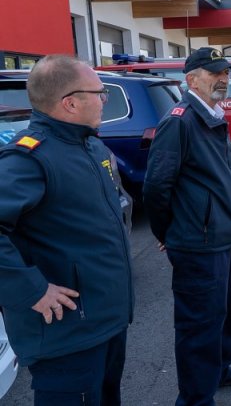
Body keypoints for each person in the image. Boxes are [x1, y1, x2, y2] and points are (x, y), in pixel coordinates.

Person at [0, 55, 133, 404]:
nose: (104, 100)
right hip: (68, 335)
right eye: (99, 93)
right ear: (70, 103)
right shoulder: (29, 158)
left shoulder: (89, 144)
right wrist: (31, 290)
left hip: (105, 322)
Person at [143, 47, 231, 406]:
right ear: (191, 80)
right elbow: (156, 186)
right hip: (197, 242)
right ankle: (195, 399)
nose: (224, 79)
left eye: (226, 72)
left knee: (223, 313)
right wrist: (166, 233)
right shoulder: (180, 121)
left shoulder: (212, 114)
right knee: (199, 325)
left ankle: (219, 369)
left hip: (221, 236)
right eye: (215, 73)